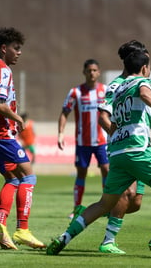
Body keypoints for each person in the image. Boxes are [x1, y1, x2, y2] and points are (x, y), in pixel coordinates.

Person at [47, 50, 151, 259]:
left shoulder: (118, 88)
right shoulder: (144, 82)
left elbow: (117, 116)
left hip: (117, 152)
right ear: (144, 68)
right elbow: (144, 94)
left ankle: (64, 238)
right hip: (137, 150)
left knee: (106, 203)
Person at [92, 40, 151, 254]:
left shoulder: (139, 81)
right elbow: (103, 117)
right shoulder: (117, 84)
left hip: (138, 144)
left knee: (136, 203)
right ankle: (108, 240)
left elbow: (139, 116)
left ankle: (98, 211)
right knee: (126, 194)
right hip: (126, 147)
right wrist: (119, 135)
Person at [0, 27, 45, 250]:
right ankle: (23, 229)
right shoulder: (2, 70)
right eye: (16, 48)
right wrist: (16, 119)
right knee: (28, 175)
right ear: (4, 48)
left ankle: (0, 227)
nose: (19, 53)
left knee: (12, 178)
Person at [57, 59, 109, 216]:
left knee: (106, 170)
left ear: (99, 72)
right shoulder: (76, 92)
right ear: (84, 72)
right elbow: (64, 113)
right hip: (83, 142)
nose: (92, 73)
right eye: (89, 70)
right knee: (81, 173)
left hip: (102, 141)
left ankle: (107, 206)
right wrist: (60, 133)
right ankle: (76, 208)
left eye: (94, 70)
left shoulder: (106, 91)